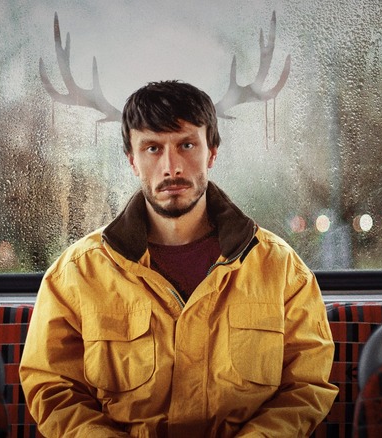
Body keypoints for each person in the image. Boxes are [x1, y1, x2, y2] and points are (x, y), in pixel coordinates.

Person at [20, 80, 337, 437]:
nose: (171, 167)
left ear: (212, 152)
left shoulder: (281, 269)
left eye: (186, 144)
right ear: (132, 160)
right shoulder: (76, 274)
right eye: (152, 148)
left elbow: (306, 386)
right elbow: (53, 387)